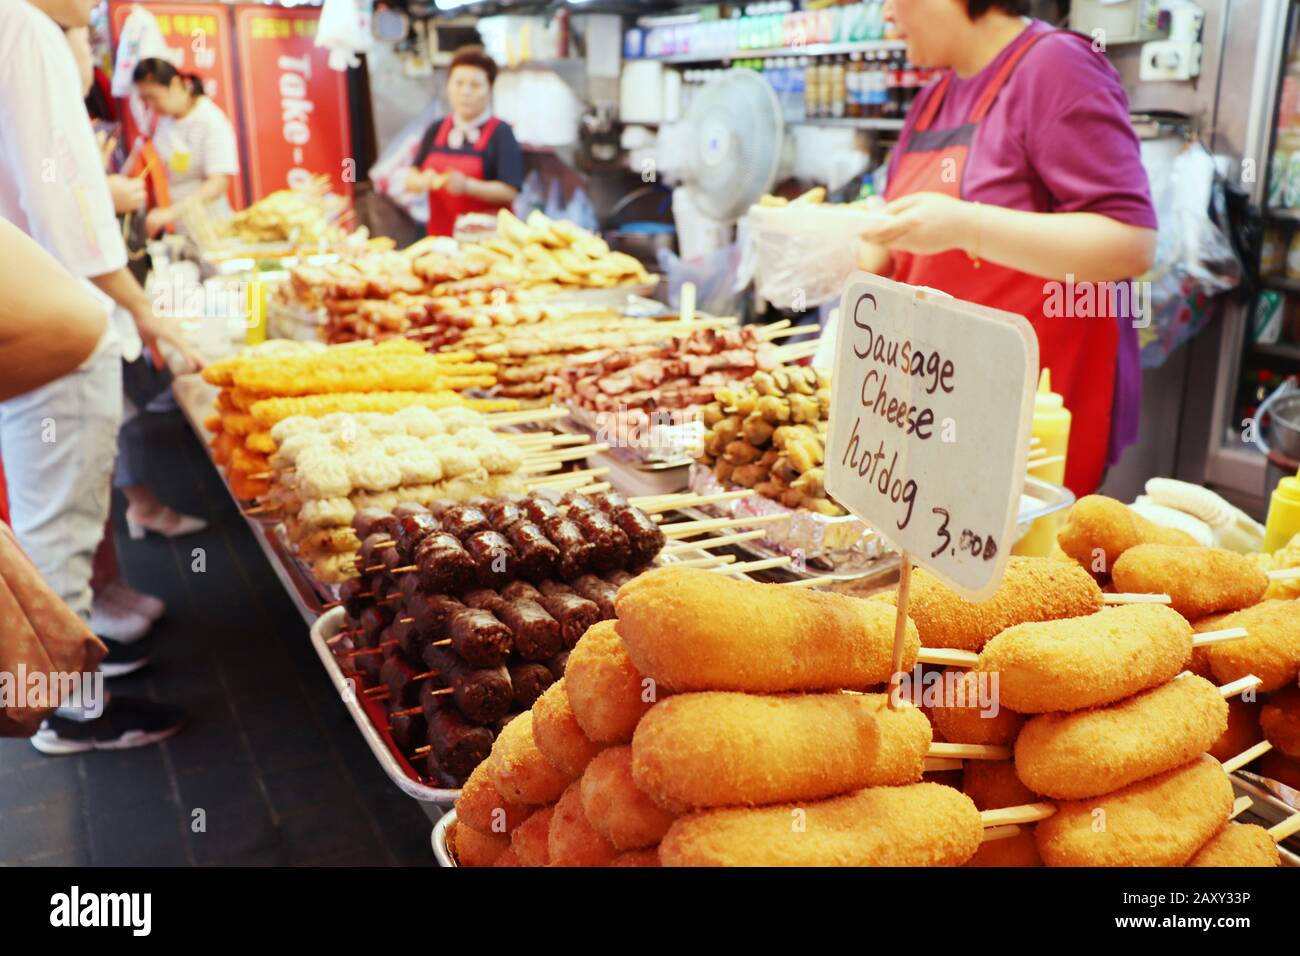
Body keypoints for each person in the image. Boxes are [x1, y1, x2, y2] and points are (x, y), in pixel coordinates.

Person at [858, 1, 1158, 496]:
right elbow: (904, 252)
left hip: (1025, 425)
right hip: (929, 413)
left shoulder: (1057, 66)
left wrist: (968, 226)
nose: (886, 14)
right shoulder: (934, 96)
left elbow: (1130, 243)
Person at [0, 0, 192, 752]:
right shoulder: (26, 28)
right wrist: (145, 309)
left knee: (59, 517)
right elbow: (65, 207)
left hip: (34, 321)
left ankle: (68, 688)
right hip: (54, 325)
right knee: (58, 529)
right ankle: (68, 713)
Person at [404, 45, 524, 236]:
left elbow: (510, 191)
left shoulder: (501, 133)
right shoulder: (436, 128)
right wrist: (421, 181)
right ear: (448, 87)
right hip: (440, 239)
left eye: (475, 85)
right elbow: (411, 176)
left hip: (489, 241)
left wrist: (468, 186)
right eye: (458, 83)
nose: (465, 92)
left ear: (489, 89)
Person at [130, 57, 240, 238]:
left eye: (154, 97)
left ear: (174, 85)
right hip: (176, 229)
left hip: (209, 228)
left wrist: (171, 213)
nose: (150, 105)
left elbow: (219, 182)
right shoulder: (161, 119)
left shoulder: (210, 120)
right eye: (144, 99)